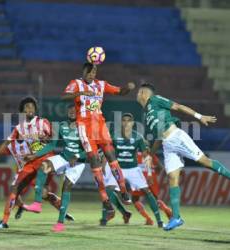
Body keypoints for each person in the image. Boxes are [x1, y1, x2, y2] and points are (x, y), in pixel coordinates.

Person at [136, 83, 230, 231]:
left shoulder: (154, 100)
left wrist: (199, 116)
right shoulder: (147, 115)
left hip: (176, 137)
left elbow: (178, 107)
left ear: (143, 93)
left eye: (138, 93)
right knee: (172, 178)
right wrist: (150, 155)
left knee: (204, 162)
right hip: (167, 145)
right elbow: (159, 138)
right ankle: (176, 218)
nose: (136, 96)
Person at [62, 62, 135, 218]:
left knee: (111, 156)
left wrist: (128, 87)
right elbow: (64, 96)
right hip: (85, 128)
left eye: (94, 71)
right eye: (88, 72)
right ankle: (106, 201)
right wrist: (79, 94)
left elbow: (120, 91)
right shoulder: (76, 84)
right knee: (95, 162)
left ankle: (123, 191)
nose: (91, 74)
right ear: (83, 72)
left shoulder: (101, 85)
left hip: (100, 126)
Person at [0, 96, 55, 228]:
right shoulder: (19, 128)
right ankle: (4, 222)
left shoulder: (43, 122)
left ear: (35, 109)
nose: (29, 109)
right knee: (15, 188)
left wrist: (45, 139)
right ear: (22, 111)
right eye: (26, 107)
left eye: (32, 106)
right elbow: (7, 142)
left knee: (43, 193)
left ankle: (62, 211)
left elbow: (51, 138)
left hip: (45, 159)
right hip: (30, 162)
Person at [23, 105, 86, 232]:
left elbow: (91, 150)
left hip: (78, 163)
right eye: (70, 110)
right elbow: (52, 145)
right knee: (44, 165)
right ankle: (37, 203)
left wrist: (78, 155)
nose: (72, 112)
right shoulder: (61, 125)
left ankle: (60, 222)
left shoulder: (85, 128)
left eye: (75, 110)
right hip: (64, 157)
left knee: (66, 187)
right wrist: (34, 155)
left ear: (79, 112)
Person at [103, 113, 163, 227]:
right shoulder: (114, 135)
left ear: (133, 123)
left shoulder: (138, 137)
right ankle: (122, 211)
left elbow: (146, 156)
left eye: (129, 121)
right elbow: (108, 151)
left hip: (133, 169)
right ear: (121, 123)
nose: (126, 123)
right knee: (108, 190)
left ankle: (159, 220)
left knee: (147, 191)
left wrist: (149, 174)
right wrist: (103, 165)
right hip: (119, 169)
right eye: (124, 120)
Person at [132, 152, 172, 225]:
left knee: (135, 199)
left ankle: (148, 219)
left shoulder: (134, 153)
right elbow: (160, 167)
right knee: (154, 199)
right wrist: (154, 173)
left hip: (139, 177)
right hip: (151, 178)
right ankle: (167, 210)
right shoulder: (150, 154)